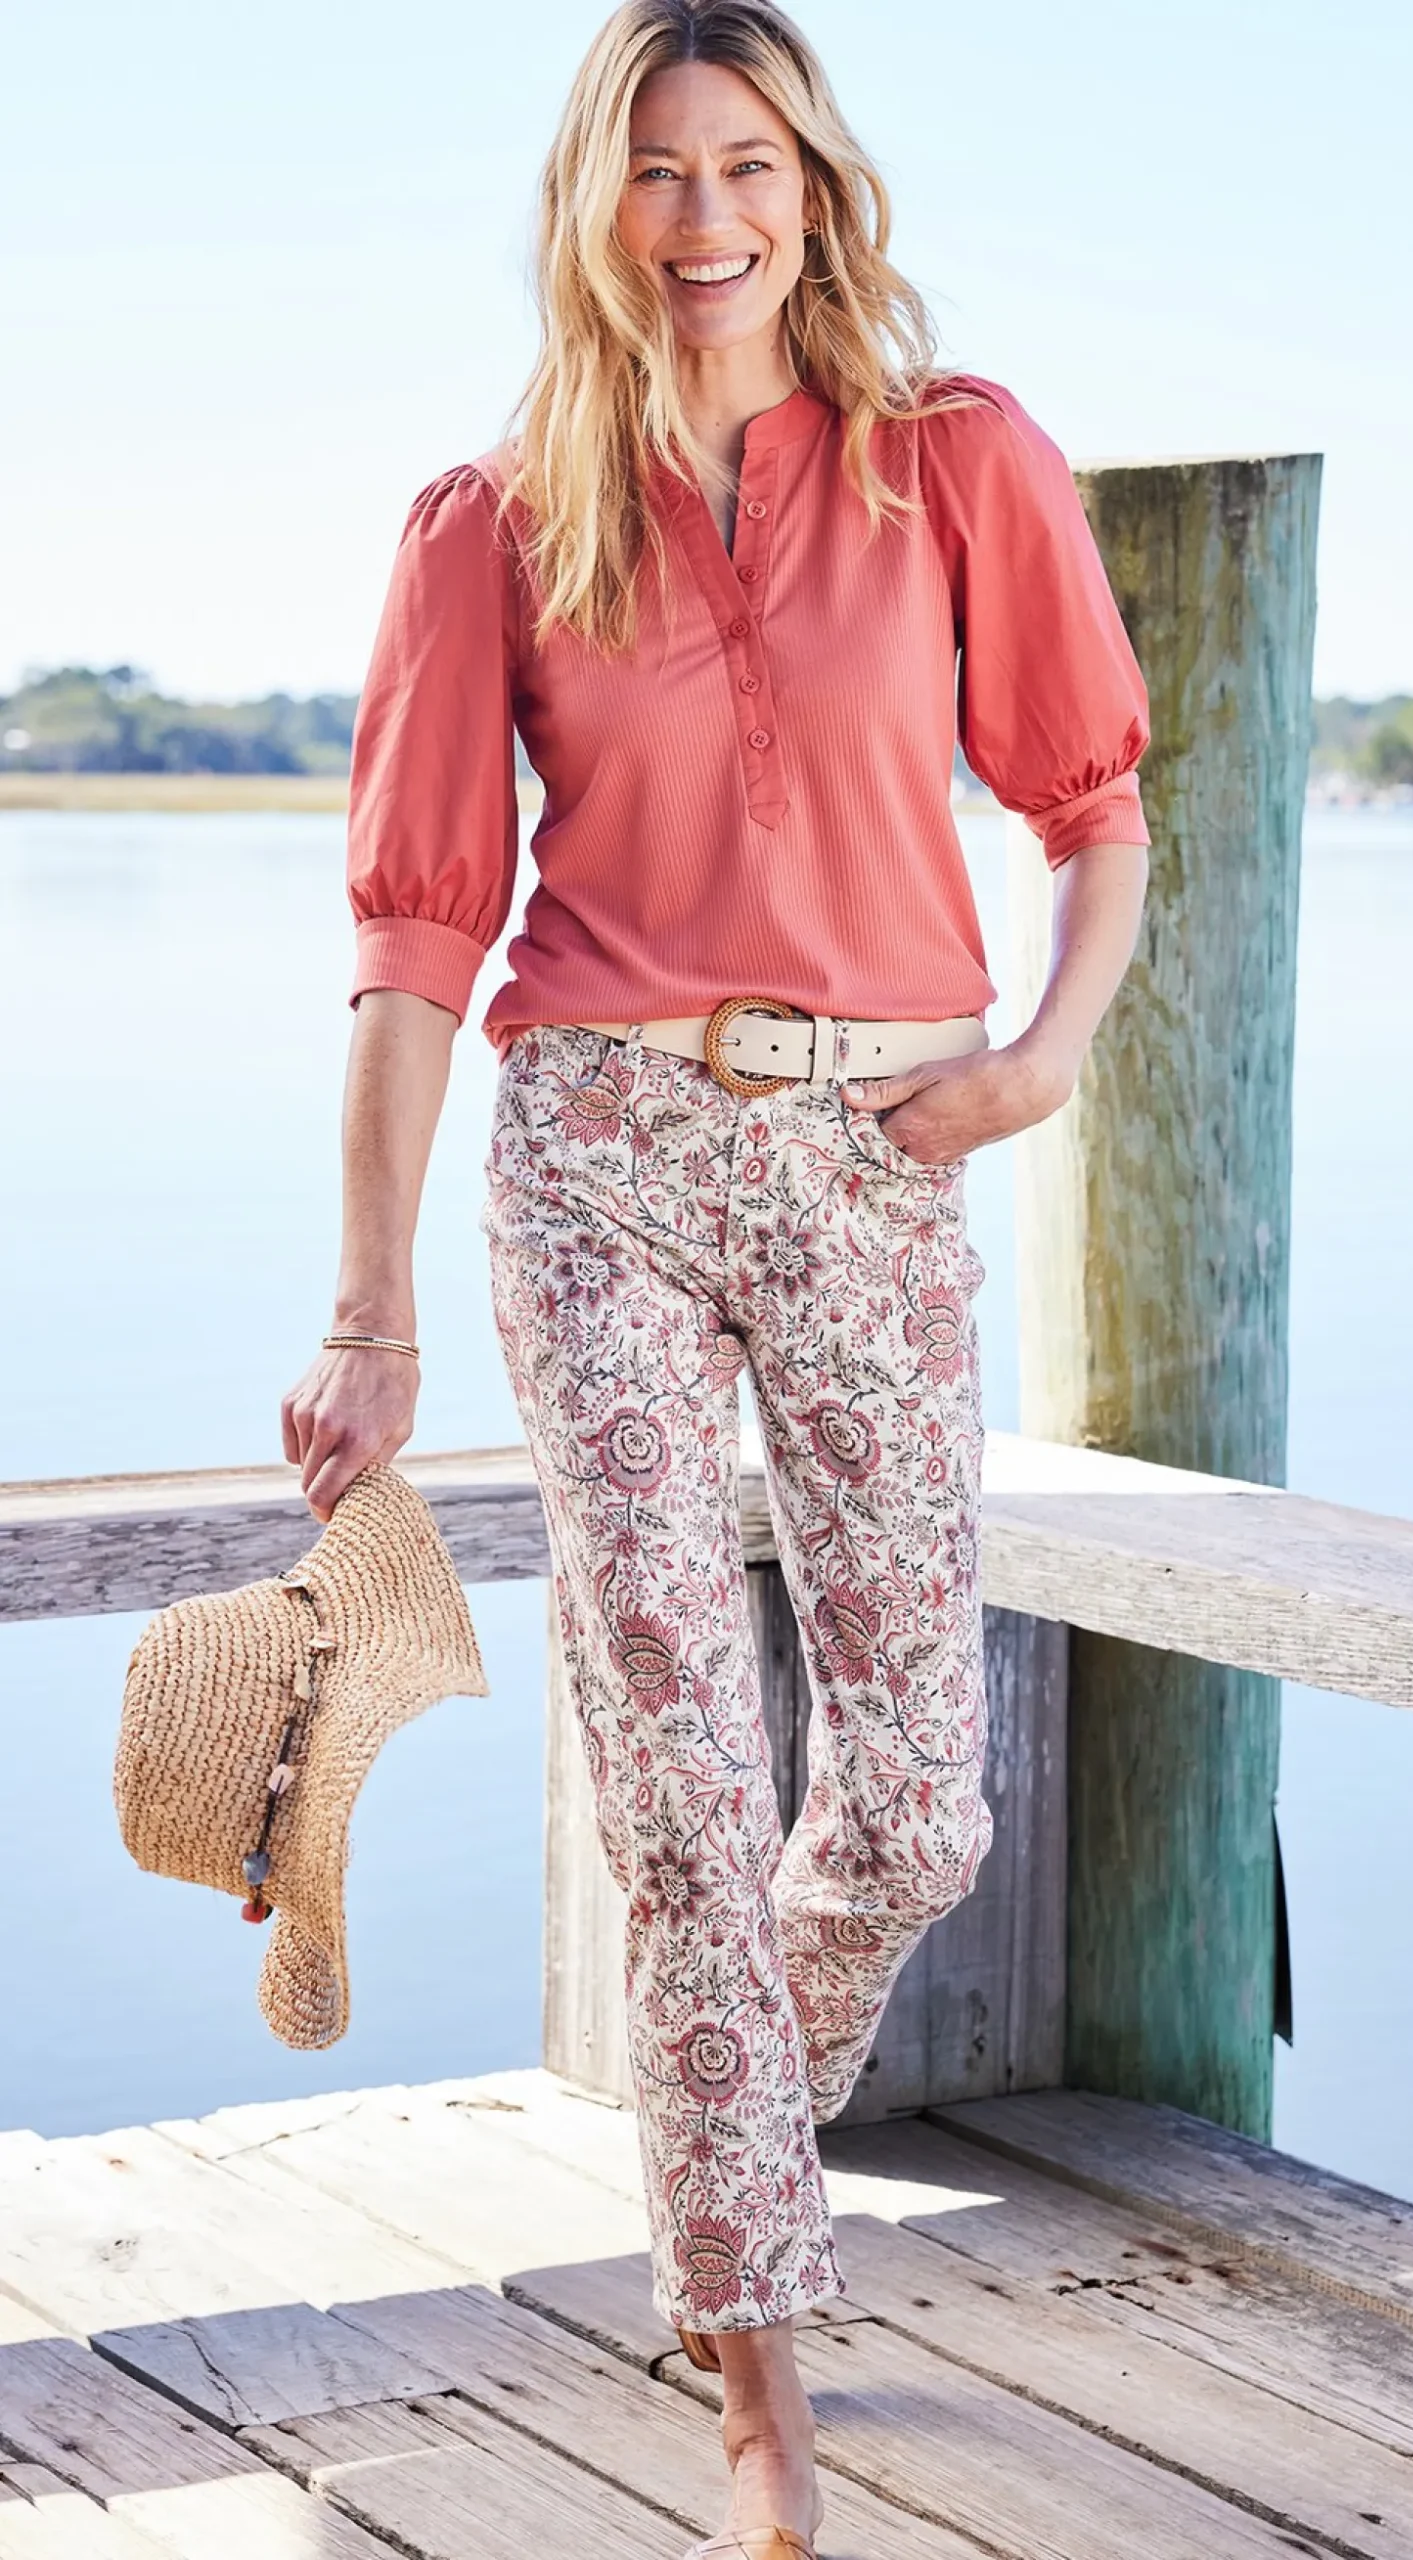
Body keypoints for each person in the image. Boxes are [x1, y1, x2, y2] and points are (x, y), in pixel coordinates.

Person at [282, 4, 1150, 2553]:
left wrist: (1040, 1062)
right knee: (679, 1780)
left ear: (813, 186)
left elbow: (1096, 806)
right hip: (604, 1154)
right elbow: (416, 939)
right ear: (597, 203)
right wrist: (368, 1306)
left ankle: (721, 2127)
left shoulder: (957, 460)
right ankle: (761, 2382)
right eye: (657, 170)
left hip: (884, 1144)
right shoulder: (492, 520)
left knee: (915, 1800)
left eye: (747, 164)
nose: (705, 218)